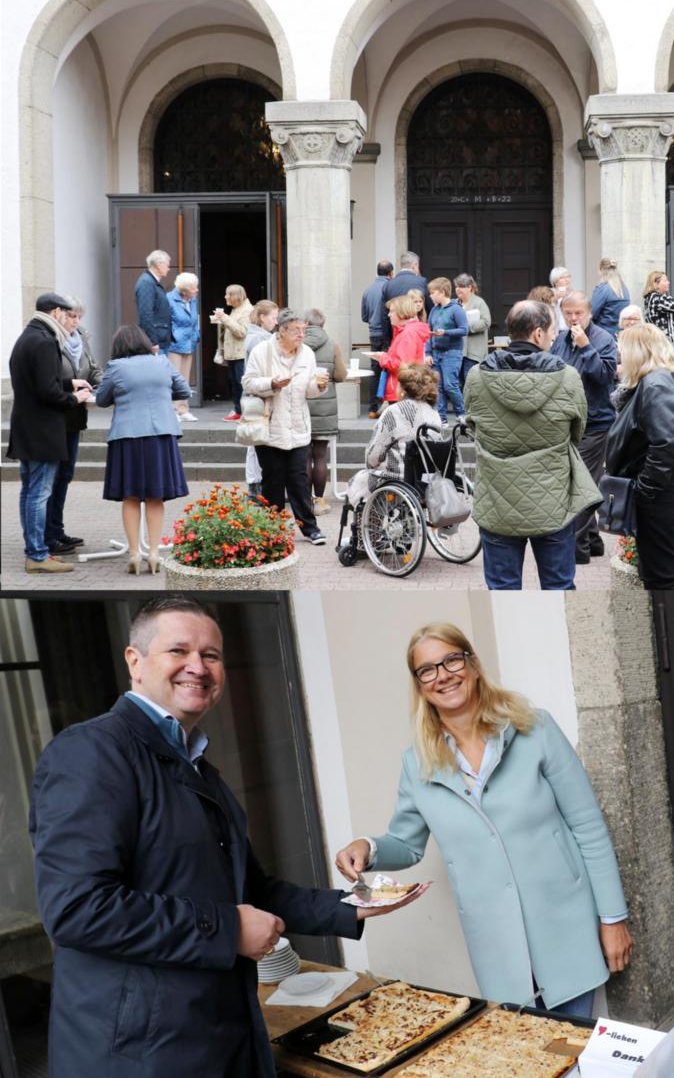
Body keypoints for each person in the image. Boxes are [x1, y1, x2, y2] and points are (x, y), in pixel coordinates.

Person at [29, 597, 425, 1078]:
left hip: (216, 1039)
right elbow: (77, 910)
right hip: (138, 1058)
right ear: (135, 662)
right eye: (178, 650)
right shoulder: (91, 752)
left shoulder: (200, 769)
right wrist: (229, 929)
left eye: (211, 655)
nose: (197, 666)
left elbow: (249, 890)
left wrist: (348, 907)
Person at [334, 622, 633, 1016]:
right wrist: (368, 848)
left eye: (451, 660)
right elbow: (406, 844)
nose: (443, 675)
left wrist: (613, 918)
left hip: (566, 929)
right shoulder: (417, 764)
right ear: (420, 685)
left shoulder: (534, 728)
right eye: (427, 669)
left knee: (575, 1053)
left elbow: (588, 827)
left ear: (472, 664)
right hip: (498, 947)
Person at [464, 300, 597, 590]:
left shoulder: (476, 377)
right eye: (551, 330)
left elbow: (473, 424)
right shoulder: (568, 377)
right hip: (553, 497)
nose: (554, 336)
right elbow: (577, 432)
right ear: (538, 334)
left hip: (498, 497)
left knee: (502, 590)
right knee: (559, 588)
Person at [605, 324, 674, 589]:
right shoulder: (669, 375)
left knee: (663, 578)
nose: (620, 359)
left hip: (671, 488)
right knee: (660, 572)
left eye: (622, 352)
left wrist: (645, 490)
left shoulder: (656, 383)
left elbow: (666, 443)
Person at [6, 292, 94, 573]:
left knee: (30, 491)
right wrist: (74, 398)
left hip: (27, 427)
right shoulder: (44, 341)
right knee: (39, 493)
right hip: (42, 429)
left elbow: (37, 381)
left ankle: (34, 548)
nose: (70, 319)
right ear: (55, 312)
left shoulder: (28, 336)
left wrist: (69, 381)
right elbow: (46, 391)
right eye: (66, 313)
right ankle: (37, 555)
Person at [93, 325, 191, 574]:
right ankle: (155, 553)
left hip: (128, 435)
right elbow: (183, 390)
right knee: (156, 496)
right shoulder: (162, 363)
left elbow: (102, 399)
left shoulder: (116, 367)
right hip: (161, 434)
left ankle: (135, 552)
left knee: (131, 495)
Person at [242, 307, 331, 545]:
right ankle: (274, 530)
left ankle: (310, 528)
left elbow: (308, 391)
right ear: (281, 330)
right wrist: (272, 383)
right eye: (296, 330)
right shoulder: (263, 351)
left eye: (304, 330)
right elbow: (248, 382)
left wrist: (319, 387)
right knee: (273, 481)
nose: (301, 335)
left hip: (298, 426)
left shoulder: (307, 354)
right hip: (270, 427)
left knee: (299, 480)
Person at [553, 292, 618, 565]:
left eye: (578, 313)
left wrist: (586, 347)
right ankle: (593, 540)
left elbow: (604, 376)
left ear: (589, 312)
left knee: (585, 484)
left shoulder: (602, 338)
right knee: (576, 482)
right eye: (568, 313)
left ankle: (576, 549)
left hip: (595, 422)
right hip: (567, 422)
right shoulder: (560, 338)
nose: (573, 318)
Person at [46, 299, 102, 556]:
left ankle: (57, 529)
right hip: (56, 417)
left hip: (76, 417)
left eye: (79, 316)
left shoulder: (82, 338)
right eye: (71, 316)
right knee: (53, 478)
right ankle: (49, 535)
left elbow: (92, 369)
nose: (76, 322)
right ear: (59, 315)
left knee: (65, 476)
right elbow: (52, 379)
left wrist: (102, 384)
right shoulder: (51, 341)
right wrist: (72, 386)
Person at [345, 363, 443, 504]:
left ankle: (370, 524)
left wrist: (371, 464)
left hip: (398, 480)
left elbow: (374, 456)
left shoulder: (395, 412)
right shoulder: (434, 414)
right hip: (426, 480)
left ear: (403, 390)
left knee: (360, 479)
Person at [303, 309, 347, 517]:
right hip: (325, 407)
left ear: (305, 323)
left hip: (302, 404)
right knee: (320, 455)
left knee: (303, 456)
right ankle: (319, 501)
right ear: (323, 324)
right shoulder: (332, 344)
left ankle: (303, 500)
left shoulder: (298, 344)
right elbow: (340, 374)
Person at [242, 301, 280, 496]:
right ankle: (255, 487)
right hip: (258, 396)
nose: (276, 321)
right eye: (273, 317)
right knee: (256, 441)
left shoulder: (257, 337)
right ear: (262, 318)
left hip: (256, 395)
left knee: (255, 441)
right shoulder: (260, 340)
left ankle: (256, 486)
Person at [373, 293, 431, 412]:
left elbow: (403, 366)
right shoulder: (406, 332)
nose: (389, 315)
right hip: (403, 390)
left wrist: (383, 358)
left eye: (392, 311)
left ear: (401, 312)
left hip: (401, 391)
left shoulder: (407, 334)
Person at [427, 277, 468, 422]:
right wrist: (427, 353)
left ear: (442, 292)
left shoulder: (456, 309)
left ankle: (462, 414)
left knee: (450, 385)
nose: (430, 295)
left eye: (433, 293)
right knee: (438, 388)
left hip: (452, 353)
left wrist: (445, 332)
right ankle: (441, 419)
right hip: (436, 353)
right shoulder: (434, 310)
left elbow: (464, 330)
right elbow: (428, 332)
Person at [211, 284, 253, 421]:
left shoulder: (247, 311)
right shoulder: (236, 309)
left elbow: (242, 332)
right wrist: (221, 321)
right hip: (234, 354)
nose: (225, 297)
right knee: (235, 383)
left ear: (236, 296)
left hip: (240, 354)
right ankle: (238, 410)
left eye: (227, 294)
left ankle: (242, 412)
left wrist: (225, 318)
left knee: (241, 384)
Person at [166, 271, 200, 421]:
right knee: (173, 378)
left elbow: (195, 320)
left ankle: (183, 409)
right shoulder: (169, 299)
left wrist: (196, 335)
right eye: (194, 288)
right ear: (184, 290)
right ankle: (171, 410)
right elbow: (166, 322)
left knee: (184, 379)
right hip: (174, 345)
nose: (197, 290)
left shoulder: (192, 300)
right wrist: (173, 337)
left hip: (189, 344)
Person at [361, 259, 394, 415]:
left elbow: (364, 316)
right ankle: (388, 404)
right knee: (389, 367)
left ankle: (373, 408)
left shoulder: (368, 290)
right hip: (388, 333)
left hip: (373, 334)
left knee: (375, 369)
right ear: (390, 273)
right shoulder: (390, 288)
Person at [134, 249, 173, 356]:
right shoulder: (146, 283)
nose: (168, 269)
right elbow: (145, 314)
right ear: (159, 265)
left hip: (160, 339)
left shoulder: (151, 282)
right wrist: (152, 341)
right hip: (156, 342)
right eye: (167, 265)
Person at [454, 272, 491, 386]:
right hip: (457, 351)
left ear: (470, 287)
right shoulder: (454, 303)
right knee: (457, 384)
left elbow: (486, 322)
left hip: (473, 353)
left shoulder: (479, 303)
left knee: (471, 384)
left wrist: (466, 328)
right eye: (456, 286)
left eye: (461, 286)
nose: (458, 289)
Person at [642, 271, 674, 357]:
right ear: (656, 284)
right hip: (670, 342)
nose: (668, 282)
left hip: (658, 342)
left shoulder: (649, 298)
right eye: (665, 281)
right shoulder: (658, 299)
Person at [383, 251, 430, 334]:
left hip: (396, 331)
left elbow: (384, 312)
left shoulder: (388, 284)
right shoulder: (422, 281)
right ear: (414, 266)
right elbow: (429, 307)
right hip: (416, 330)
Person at [589, 256, 630, 335]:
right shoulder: (624, 289)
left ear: (600, 270)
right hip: (621, 332)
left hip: (603, 333)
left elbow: (592, 313)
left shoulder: (602, 289)